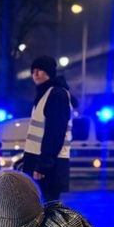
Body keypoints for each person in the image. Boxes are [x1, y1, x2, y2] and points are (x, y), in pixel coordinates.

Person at [22, 56, 74, 202]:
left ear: (49, 73)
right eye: (33, 71)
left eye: (40, 70)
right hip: (40, 162)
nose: (36, 74)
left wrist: (43, 166)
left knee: (46, 211)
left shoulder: (56, 94)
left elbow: (55, 133)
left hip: (49, 167)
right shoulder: (45, 94)